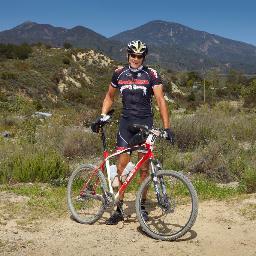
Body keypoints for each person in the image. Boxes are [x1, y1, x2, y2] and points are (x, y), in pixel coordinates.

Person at [91, 40, 175, 225]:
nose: (136, 59)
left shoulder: (151, 74)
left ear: (144, 57)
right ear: (128, 55)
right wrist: (102, 115)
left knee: (144, 169)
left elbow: (161, 100)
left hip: (145, 125)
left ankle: (142, 206)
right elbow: (109, 96)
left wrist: (167, 127)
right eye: (133, 55)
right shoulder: (119, 73)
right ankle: (119, 207)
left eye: (139, 56)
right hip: (126, 125)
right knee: (121, 168)